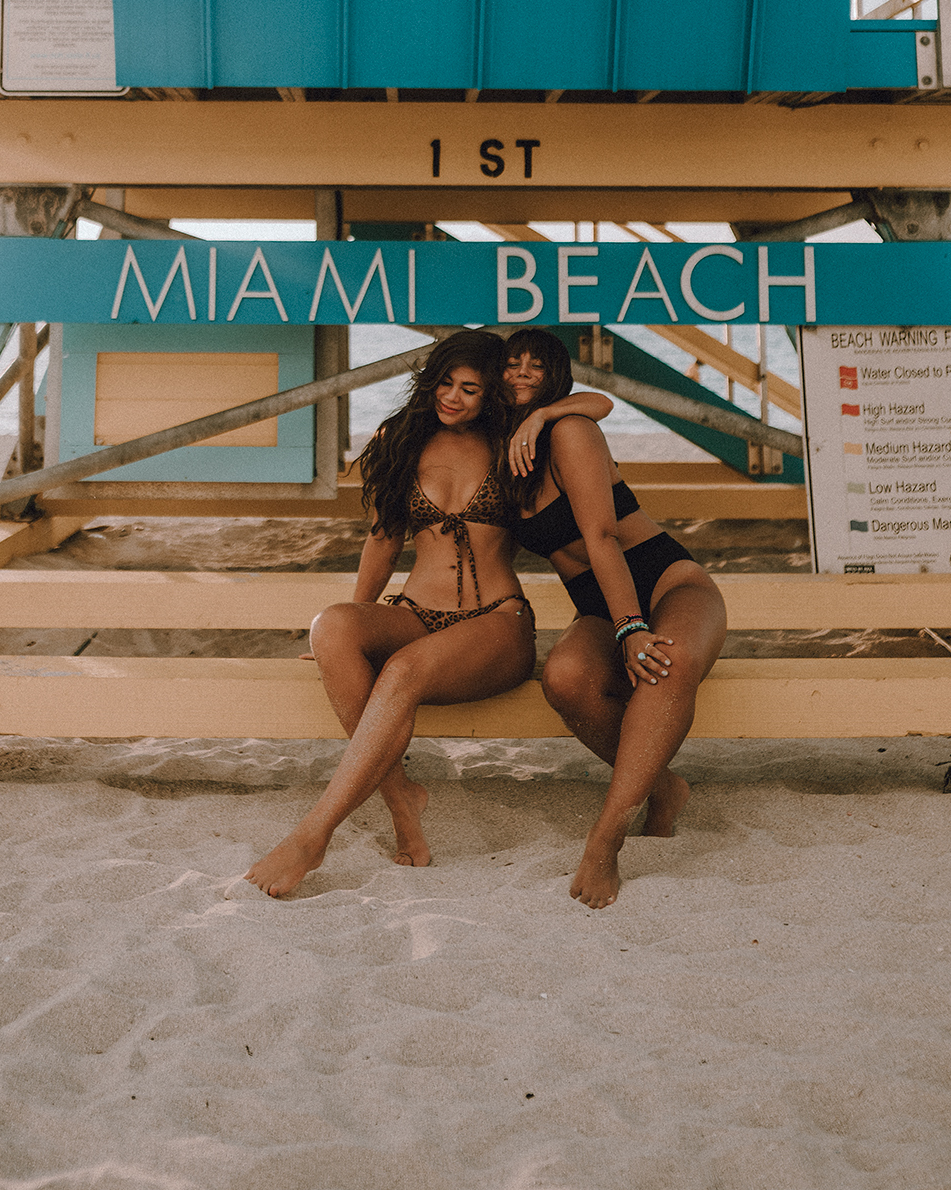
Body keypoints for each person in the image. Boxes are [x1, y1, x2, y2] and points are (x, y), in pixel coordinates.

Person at [243, 329, 609, 898]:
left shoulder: (513, 439)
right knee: (331, 627)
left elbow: (597, 404)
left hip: (496, 623)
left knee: (403, 671)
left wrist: (540, 417)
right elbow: (384, 541)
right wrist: (355, 626)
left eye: (470, 388)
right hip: (416, 612)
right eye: (446, 383)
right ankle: (401, 797)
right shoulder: (401, 440)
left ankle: (312, 837)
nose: (454, 397)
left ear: (491, 394)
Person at [502, 327, 728, 909]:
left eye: (536, 365)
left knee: (664, 662)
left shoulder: (570, 431)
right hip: (596, 601)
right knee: (565, 679)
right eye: (511, 364)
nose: (522, 373)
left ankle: (606, 839)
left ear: (554, 379)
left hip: (665, 580)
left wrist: (631, 628)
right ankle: (664, 786)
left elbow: (600, 535)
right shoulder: (504, 456)